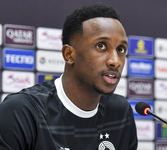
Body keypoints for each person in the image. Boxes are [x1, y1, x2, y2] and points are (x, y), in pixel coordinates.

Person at [0, 3, 138, 150]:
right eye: (101, 46)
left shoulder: (121, 112)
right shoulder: (22, 111)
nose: (115, 61)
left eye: (121, 49)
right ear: (69, 55)